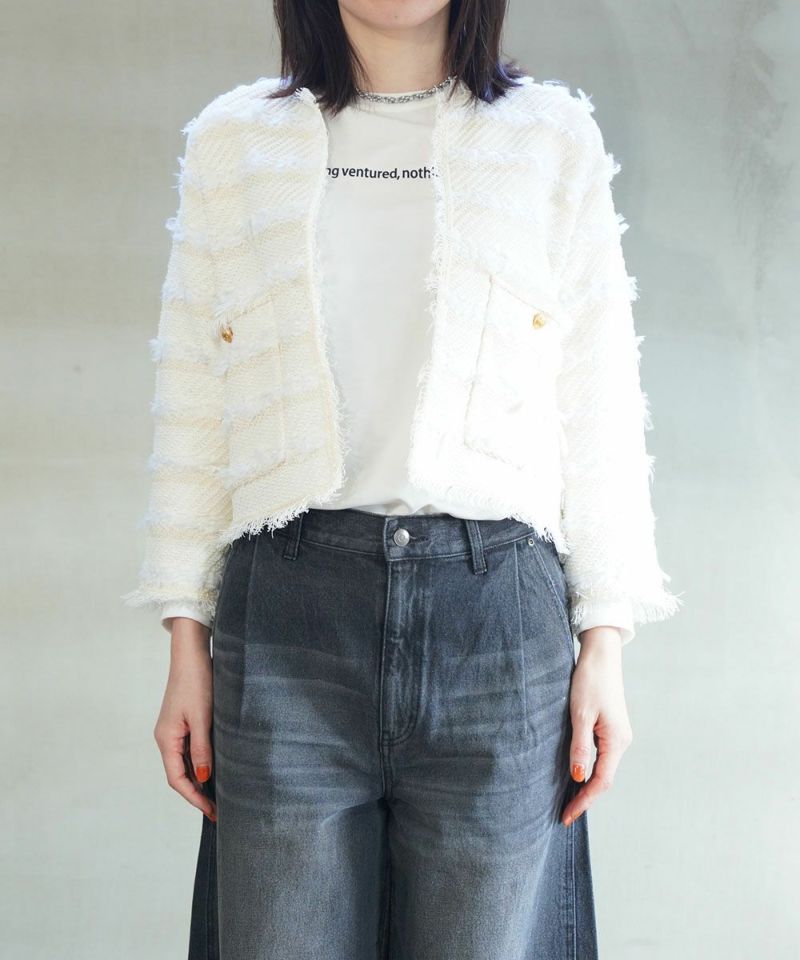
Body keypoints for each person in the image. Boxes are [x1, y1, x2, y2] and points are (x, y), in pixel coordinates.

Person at [123, 1, 683, 957]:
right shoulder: (235, 141)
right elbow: (195, 396)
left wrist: (606, 640)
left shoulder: (550, 137)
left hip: (496, 624)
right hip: (287, 618)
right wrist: (186, 635)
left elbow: (597, 391)